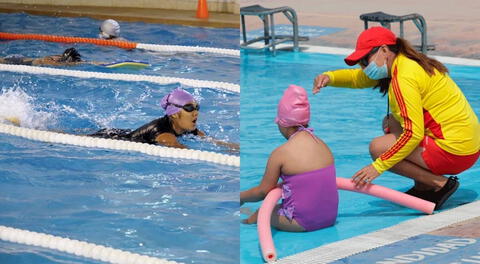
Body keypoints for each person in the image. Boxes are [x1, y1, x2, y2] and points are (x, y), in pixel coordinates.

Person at [313, 26, 480, 210]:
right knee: (392, 122)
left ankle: (438, 184)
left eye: (364, 60)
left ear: (384, 50)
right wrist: (329, 77)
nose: (363, 66)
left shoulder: (404, 78)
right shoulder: (405, 62)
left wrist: (378, 166)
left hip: (454, 152)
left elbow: (413, 134)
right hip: (467, 145)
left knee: (378, 147)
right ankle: (423, 186)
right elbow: (358, 79)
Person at [240, 85, 338, 232]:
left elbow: (263, 191)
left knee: (261, 213)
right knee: (274, 208)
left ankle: (244, 223)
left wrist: (240, 197)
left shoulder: (281, 153)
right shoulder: (322, 144)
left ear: (282, 123)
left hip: (302, 222)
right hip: (330, 218)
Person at [89, 87, 239, 152]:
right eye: (189, 108)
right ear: (174, 113)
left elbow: (216, 143)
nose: (196, 113)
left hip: (125, 132)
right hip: (112, 139)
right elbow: (180, 149)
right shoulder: (164, 135)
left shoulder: (187, 127)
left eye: (197, 107)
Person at [0, 47, 82, 66]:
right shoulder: (50, 60)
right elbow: (58, 64)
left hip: (22, 58)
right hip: (18, 60)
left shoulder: (59, 58)